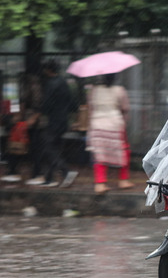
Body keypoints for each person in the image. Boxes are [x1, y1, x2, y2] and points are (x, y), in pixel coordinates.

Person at [86, 74, 134, 194]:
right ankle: (123, 180)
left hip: (97, 124)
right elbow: (125, 108)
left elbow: (90, 108)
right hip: (115, 125)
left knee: (99, 154)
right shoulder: (120, 90)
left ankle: (100, 183)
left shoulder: (93, 91)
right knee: (123, 151)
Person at [38, 60, 79, 188]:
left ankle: (66, 172)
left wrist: (42, 112)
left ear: (48, 70)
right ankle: (49, 178)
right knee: (55, 149)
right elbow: (72, 103)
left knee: (48, 149)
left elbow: (46, 105)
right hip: (63, 121)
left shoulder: (51, 84)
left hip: (53, 121)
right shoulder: (63, 82)